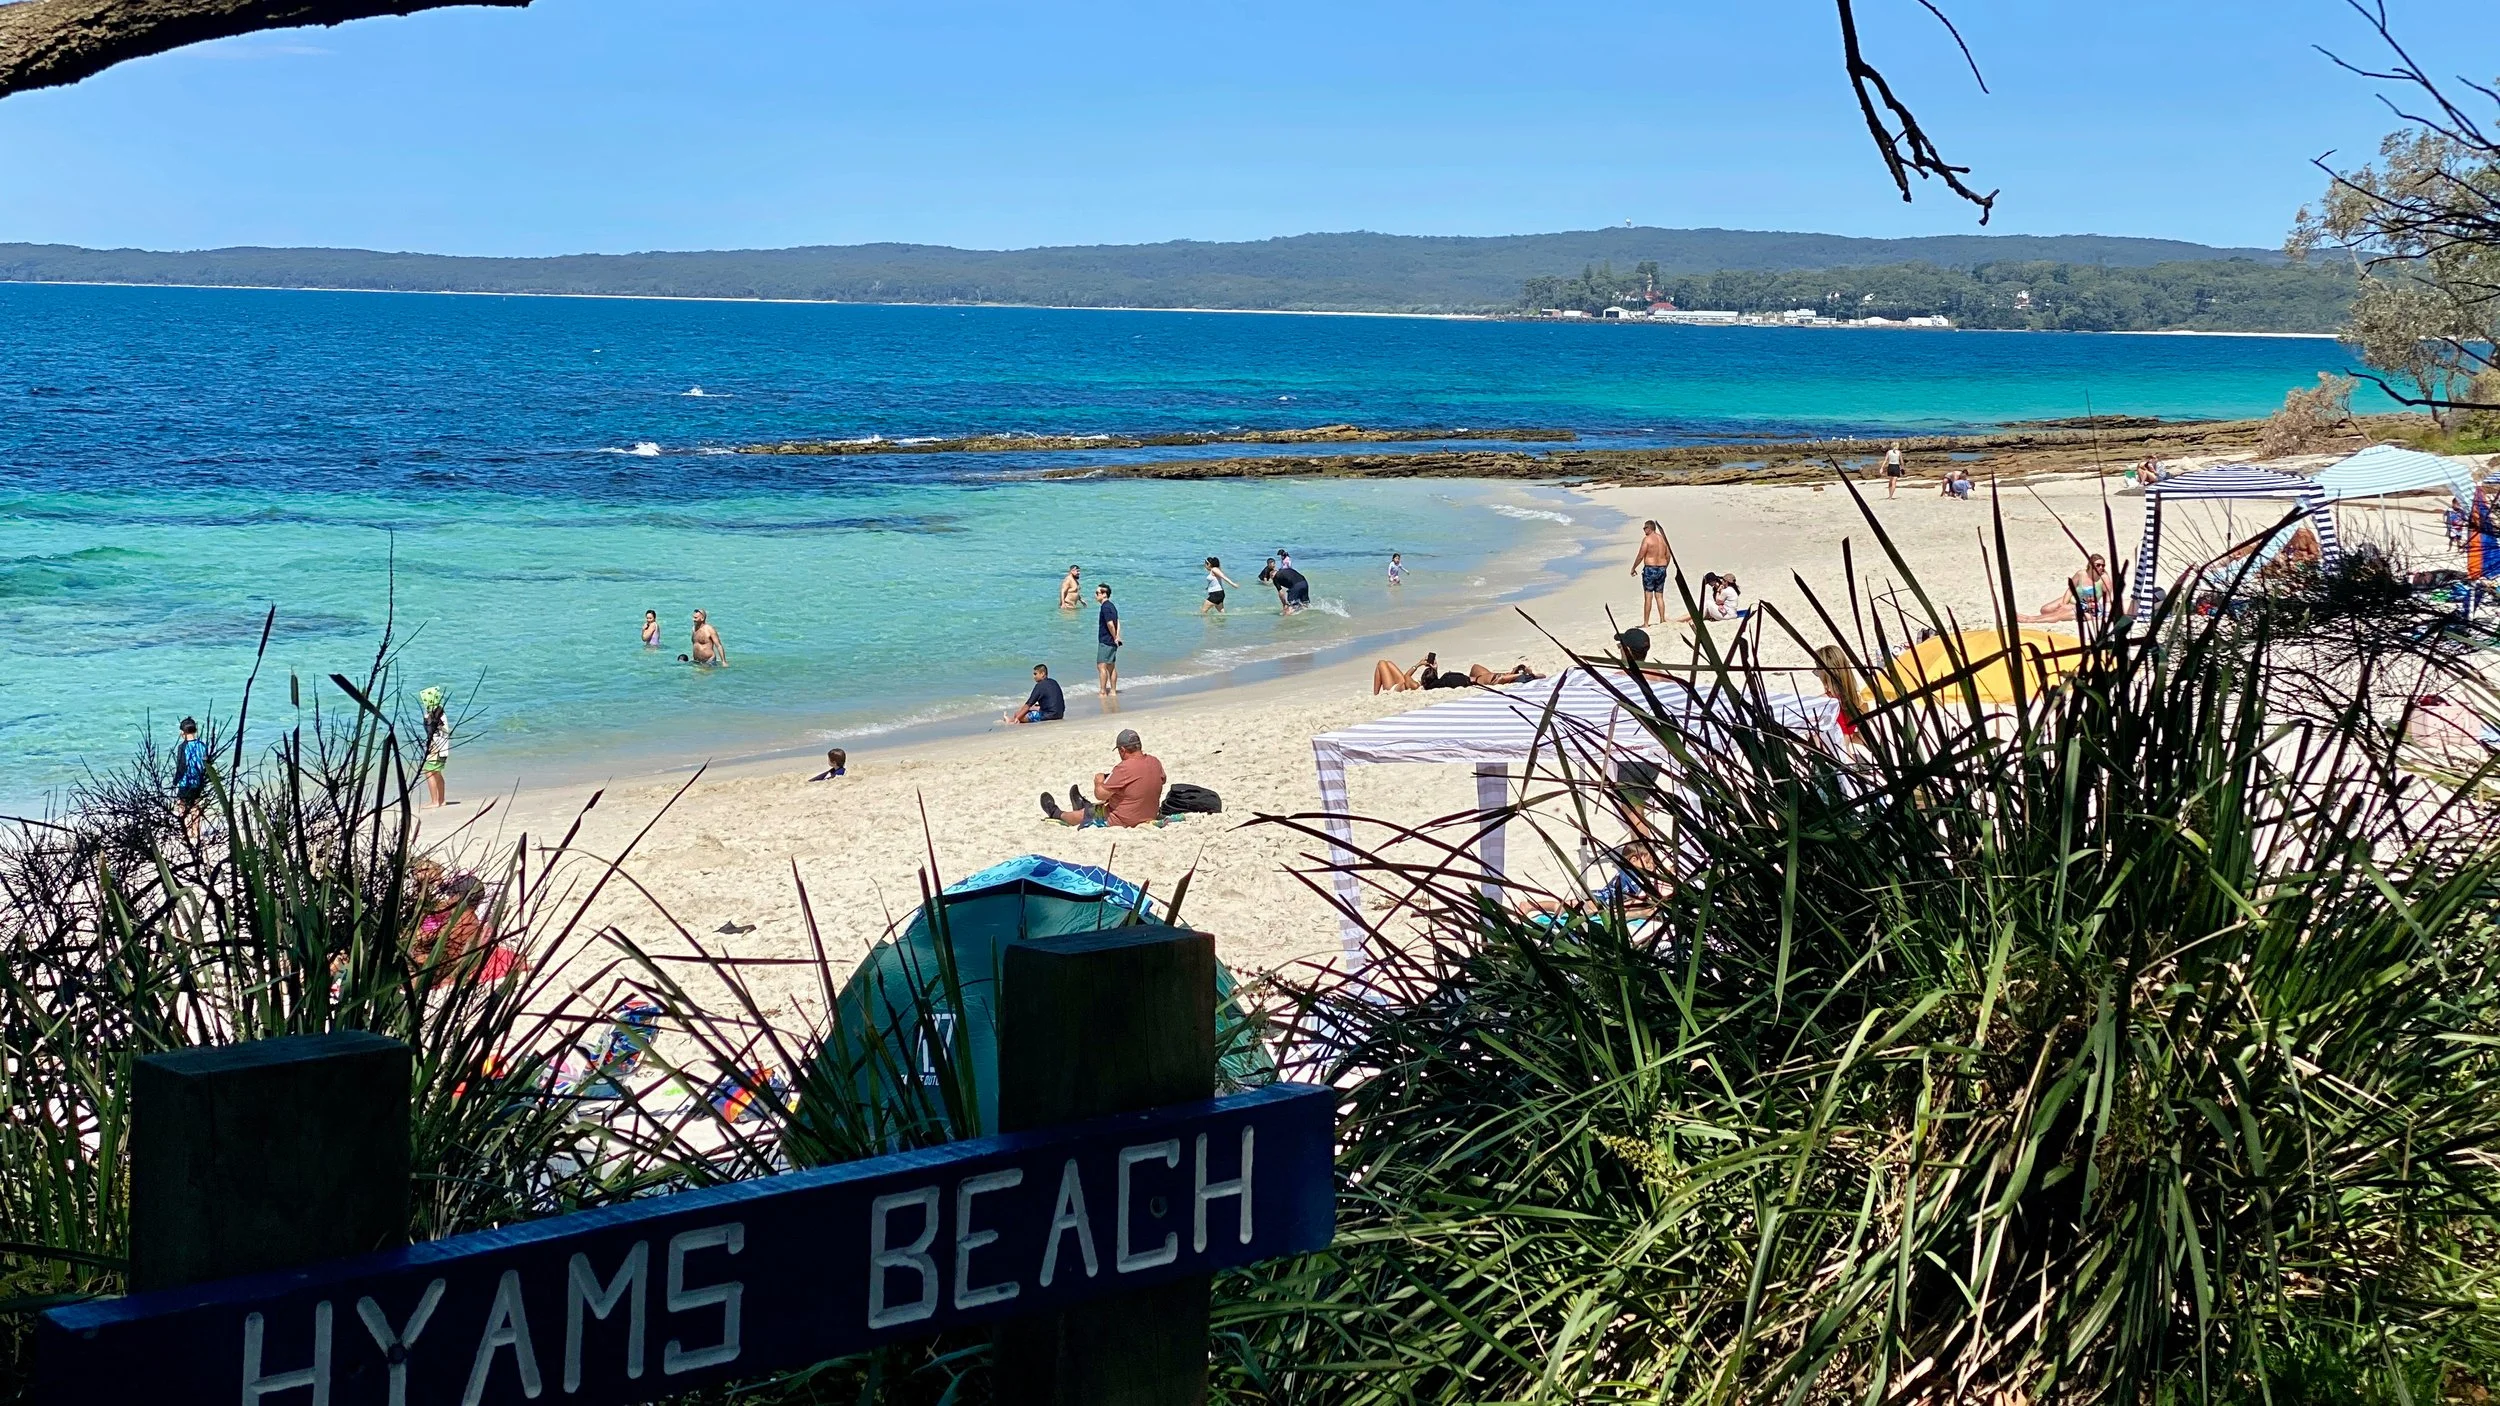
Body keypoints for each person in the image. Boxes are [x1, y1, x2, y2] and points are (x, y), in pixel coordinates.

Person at [1041, 728, 1165, 826]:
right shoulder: (1155, 762)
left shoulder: (1123, 768)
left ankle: (1056, 813)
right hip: (1150, 813)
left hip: (1124, 819)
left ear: (1122, 750)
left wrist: (1099, 781)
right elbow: (1160, 780)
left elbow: (1100, 794)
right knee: (1122, 793)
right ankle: (1083, 804)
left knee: (1085, 814)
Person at [2021, 554, 2113, 629]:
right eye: (2098, 565)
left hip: (2085, 604)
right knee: (2045, 610)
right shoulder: (2081, 574)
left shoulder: (2104, 578)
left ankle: (2030, 619)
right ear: (2090, 565)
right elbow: (2070, 590)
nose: (2101, 567)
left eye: (2103, 565)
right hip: (2072, 598)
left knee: (2059, 614)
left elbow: (2108, 599)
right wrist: (2064, 603)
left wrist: (2096, 607)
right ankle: (2031, 618)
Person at [1813, 645, 1869, 747]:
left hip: (1832, 760)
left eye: (1817, 669)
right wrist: (1847, 736)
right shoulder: (1859, 701)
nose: (1816, 673)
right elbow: (1865, 740)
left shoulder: (1821, 702)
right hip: (1851, 760)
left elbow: (1816, 742)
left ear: (1825, 672)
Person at [1629, 520, 1674, 626]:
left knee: (1648, 596)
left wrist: (1633, 567)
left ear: (1650, 528)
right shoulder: (1662, 539)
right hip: (1662, 568)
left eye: (1645, 528)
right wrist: (1664, 566)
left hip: (1650, 568)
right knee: (1659, 595)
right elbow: (1668, 555)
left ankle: (1646, 623)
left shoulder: (1647, 540)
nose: (1644, 530)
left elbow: (1641, 555)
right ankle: (1662, 619)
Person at [172, 716, 210, 839]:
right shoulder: (202, 745)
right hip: (198, 781)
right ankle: (196, 831)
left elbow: (181, 766)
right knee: (195, 806)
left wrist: (175, 781)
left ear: (182, 733)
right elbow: (206, 763)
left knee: (181, 805)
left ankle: (186, 830)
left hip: (185, 781)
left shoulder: (182, 747)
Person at [420, 686, 452, 806]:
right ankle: (441, 800)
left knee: (429, 772)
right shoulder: (438, 712)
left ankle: (435, 801)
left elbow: (433, 730)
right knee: (436, 772)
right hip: (439, 747)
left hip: (437, 747)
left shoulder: (436, 714)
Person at [1094, 583, 1123, 696]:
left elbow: (1110, 624)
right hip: (1112, 640)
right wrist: (1117, 636)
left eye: (1097, 593)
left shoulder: (1105, 607)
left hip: (1106, 640)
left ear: (1104, 594)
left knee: (1101, 666)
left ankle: (1102, 691)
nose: (1096, 595)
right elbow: (1118, 621)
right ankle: (1113, 691)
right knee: (1111, 666)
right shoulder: (1112, 606)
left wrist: (1115, 636)